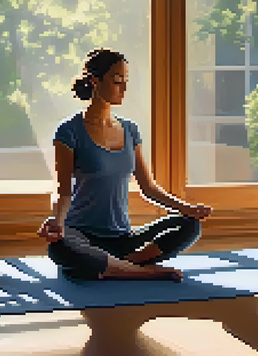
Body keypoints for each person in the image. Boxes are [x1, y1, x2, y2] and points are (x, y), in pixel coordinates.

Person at [38, 48, 213, 283]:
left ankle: (114, 266)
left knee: (189, 227)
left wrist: (187, 209)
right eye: (117, 80)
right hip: (81, 233)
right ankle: (142, 271)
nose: (124, 88)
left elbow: (148, 187)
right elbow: (62, 190)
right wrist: (56, 221)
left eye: (126, 81)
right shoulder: (69, 131)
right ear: (94, 81)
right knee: (59, 248)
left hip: (123, 239)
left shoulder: (130, 130)